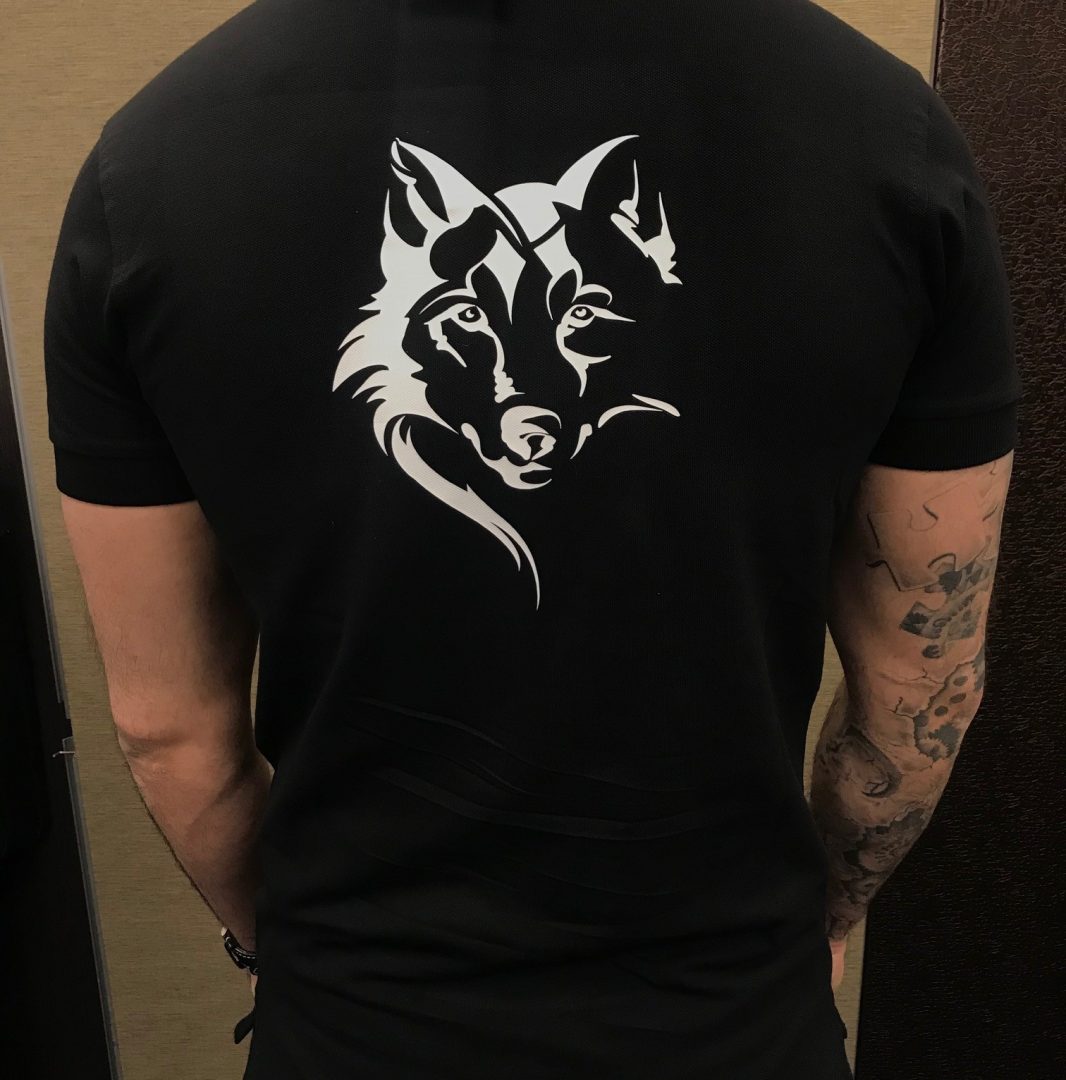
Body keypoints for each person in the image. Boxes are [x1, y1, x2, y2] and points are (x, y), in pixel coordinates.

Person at [43, 1, 1020, 1078]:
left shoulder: (150, 166)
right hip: (734, 1023)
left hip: (351, 1032)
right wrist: (812, 924)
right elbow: (920, 697)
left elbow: (170, 730)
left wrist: (301, 954)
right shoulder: (888, 139)